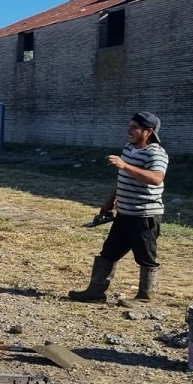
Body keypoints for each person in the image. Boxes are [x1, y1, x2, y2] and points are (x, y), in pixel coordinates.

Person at [69, 111, 168, 306]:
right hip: (124, 214)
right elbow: (123, 180)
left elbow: (156, 178)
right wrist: (110, 202)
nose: (129, 130)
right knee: (108, 253)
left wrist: (124, 166)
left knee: (146, 257)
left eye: (134, 128)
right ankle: (95, 292)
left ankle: (145, 299)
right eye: (129, 126)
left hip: (144, 216)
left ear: (148, 132)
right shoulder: (129, 148)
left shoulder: (156, 153)